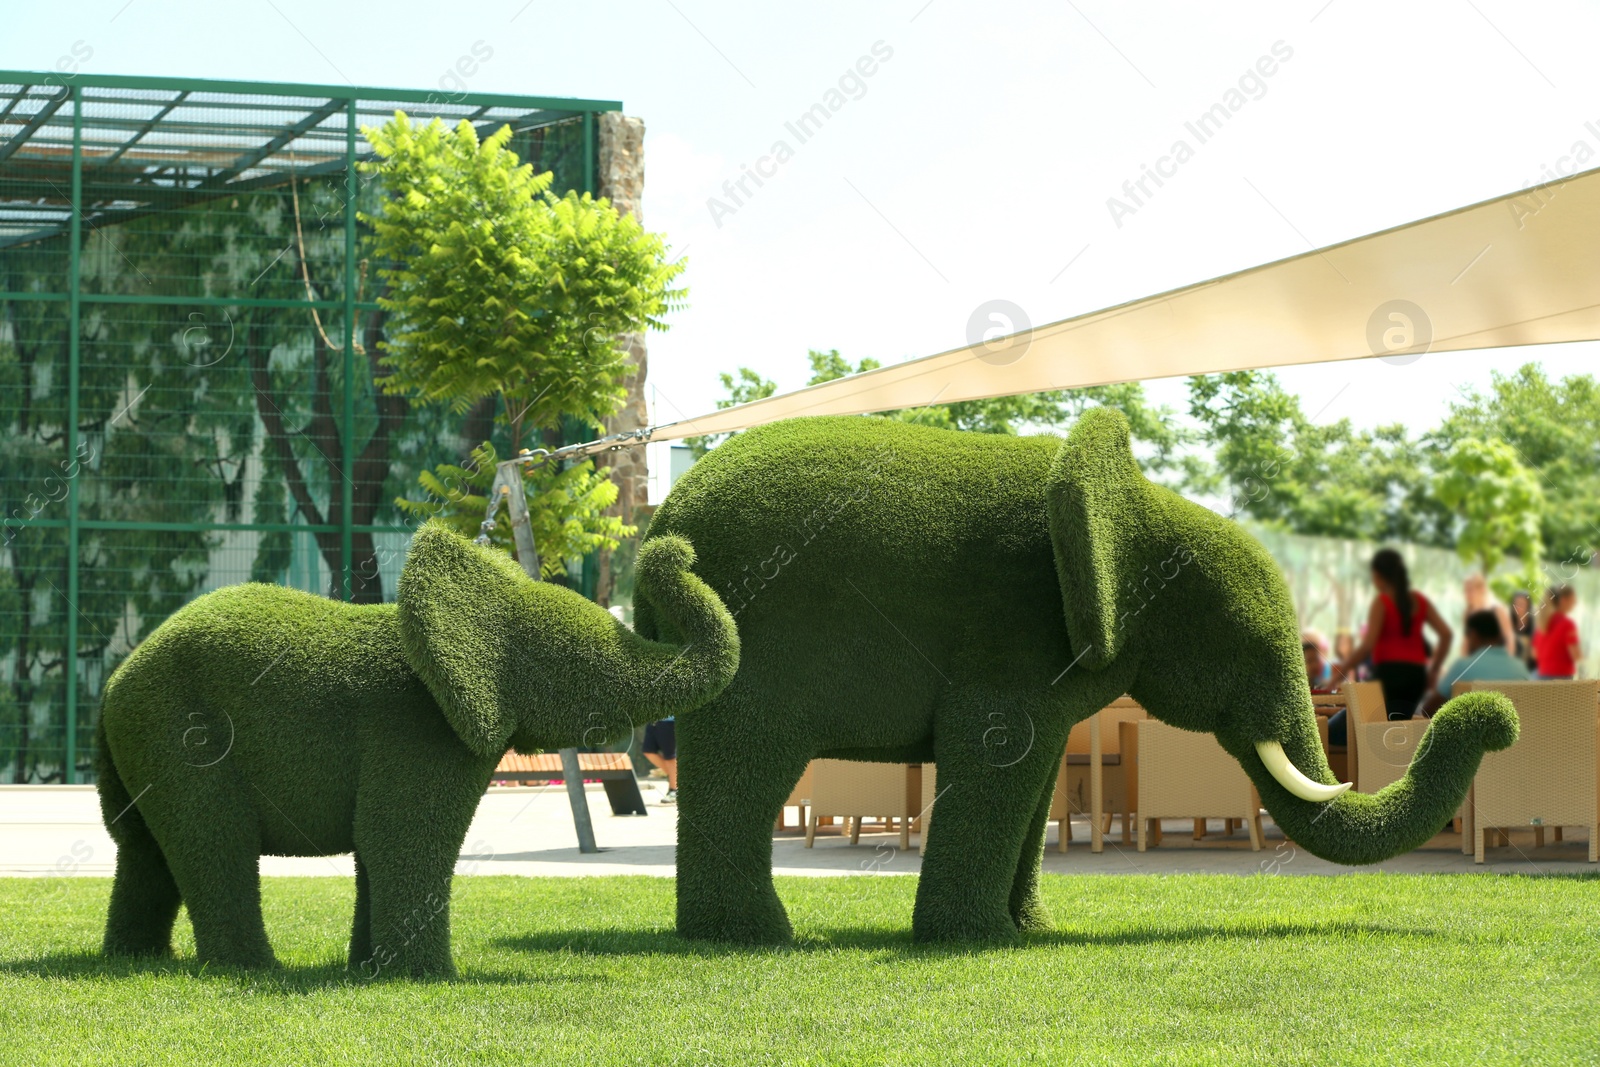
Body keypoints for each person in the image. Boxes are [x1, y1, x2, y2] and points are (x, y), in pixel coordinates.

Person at [1327, 548, 1453, 745]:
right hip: (1415, 678)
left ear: (1378, 575)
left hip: (1388, 676)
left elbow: (1367, 646)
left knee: (1340, 729)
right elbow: (1446, 634)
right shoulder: (1420, 601)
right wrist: (1433, 671)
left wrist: (1338, 673)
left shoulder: (1382, 602)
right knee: (1393, 735)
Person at [1422, 608, 1532, 713]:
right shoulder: (1520, 667)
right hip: (1517, 732)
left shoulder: (1463, 667)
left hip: (1469, 732)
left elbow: (1429, 709)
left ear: (1473, 635)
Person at [1533, 584, 1582, 680]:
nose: (1575, 602)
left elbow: (1534, 653)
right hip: (1561, 679)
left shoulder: (1543, 622)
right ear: (1563, 600)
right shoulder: (1567, 624)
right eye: (1573, 599)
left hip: (1541, 677)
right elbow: (1576, 655)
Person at [1462, 573, 1515, 655]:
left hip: (1496, 658)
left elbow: (1510, 638)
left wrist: (1507, 662)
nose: (1467, 594)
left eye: (1470, 590)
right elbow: (1466, 640)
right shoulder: (1468, 612)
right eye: (1465, 590)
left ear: (1482, 589)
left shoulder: (1498, 610)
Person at [641, 717, 678, 803]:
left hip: (669, 721)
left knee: (670, 756)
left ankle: (674, 791)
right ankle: (677, 779)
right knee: (648, 751)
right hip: (652, 721)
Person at [1509, 589, 1537, 672]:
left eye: (1522, 604)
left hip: (1531, 669)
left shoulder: (1535, 624)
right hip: (1511, 667)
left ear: (1528, 606)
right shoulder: (1507, 623)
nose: (1519, 607)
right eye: (1516, 604)